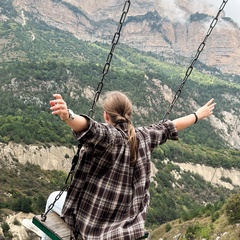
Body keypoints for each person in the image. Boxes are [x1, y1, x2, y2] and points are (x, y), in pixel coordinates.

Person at [48, 91, 216, 240]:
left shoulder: (109, 137)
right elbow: (170, 126)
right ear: (129, 114)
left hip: (93, 224)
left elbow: (89, 127)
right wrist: (197, 115)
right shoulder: (144, 136)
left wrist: (67, 115)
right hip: (127, 225)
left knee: (52, 199)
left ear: (106, 116)